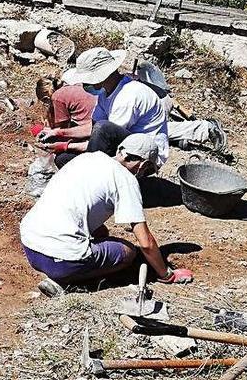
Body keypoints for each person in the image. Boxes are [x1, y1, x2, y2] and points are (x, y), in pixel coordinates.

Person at [20, 134, 194, 297]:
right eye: (148, 171)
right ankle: (66, 282)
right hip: (62, 263)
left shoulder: (88, 158)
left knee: (101, 232)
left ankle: (66, 269)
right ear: (143, 165)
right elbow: (146, 243)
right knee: (128, 252)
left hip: (30, 245)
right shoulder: (125, 179)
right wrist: (166, 275)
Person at [37, 47, 169, 169]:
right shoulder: (106, 93)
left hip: (144, 155)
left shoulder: (128, 96)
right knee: (63, 159)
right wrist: (58, 133)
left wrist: (66, 145)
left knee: (103, 129)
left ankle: (97, 181)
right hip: (123, 144)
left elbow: (105, 137)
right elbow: (93, 128)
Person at [134, 62, 227, 153]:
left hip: (155, 101)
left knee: (140, 132)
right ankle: (178, 138)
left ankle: (207, 128)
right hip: (157, 99)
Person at [34, 76, 97, 157]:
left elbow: (62, 129)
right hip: (96, 123)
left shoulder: (57, 97)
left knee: (61, 157)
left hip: (91, 131)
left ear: (46, 98)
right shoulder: (74, 86)